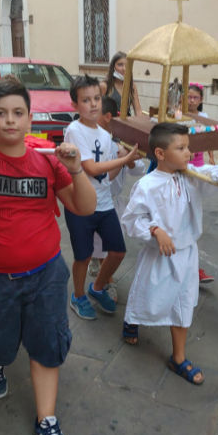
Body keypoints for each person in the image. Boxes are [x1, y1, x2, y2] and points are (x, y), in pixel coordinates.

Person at [0, 75, 97, 435]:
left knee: (48, 343)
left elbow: (83, 208)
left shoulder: (48, 163)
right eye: (1, 113)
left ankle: (46, 419)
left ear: (30, 118)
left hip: (46, 274)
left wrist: (77, 169)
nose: (10, 121)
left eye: (18, 113)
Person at [121, 122, 218, 383]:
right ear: (160, 153)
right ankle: (132, 319)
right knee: (147, 293)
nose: (188, 153)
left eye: (188, 147)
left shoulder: (190, 176)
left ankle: (178, 357)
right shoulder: (148, 185)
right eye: (181, 148)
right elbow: (132, 220)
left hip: (187, 253)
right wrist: (156, 230)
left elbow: (212, 171)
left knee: (183, 302)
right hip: (159, 254)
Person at [64, 75, 140, 320]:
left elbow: (105, 174)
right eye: (86, 100)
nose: (94, 104)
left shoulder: (106, 137)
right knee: (83, 256)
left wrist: (127, 163)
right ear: (75, 106)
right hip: (80, 204)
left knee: (118, 251)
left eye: (96, 98)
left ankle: (96, 287)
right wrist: (124, 159)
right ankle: (78, 296)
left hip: (104, 202)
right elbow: (91, 168)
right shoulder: (74, 130)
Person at [88, 96, 146, 299]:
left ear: (107, 117)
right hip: (93, 201)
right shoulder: (89, 140)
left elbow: (139, 169)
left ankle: (102, 276)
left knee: (112, 246)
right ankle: (104, 282)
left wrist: (128, 160)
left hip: (113, 202)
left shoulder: (121, 144)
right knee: (100, 245)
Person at [187, 83, 216, 284]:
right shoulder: (177, 115)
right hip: (179, 168)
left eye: (195, 98)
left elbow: (208, 139)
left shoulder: (203, 118)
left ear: (201, 100)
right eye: (188, 97)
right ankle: (190, 267)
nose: (191, 101)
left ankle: (193, 267)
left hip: (196, 167)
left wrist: (211, 157)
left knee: (193, 214)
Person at [100, 51, 143, 116]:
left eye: (127, 65)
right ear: (113, 67)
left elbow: (138, 110)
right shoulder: (104, 86)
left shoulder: (132, 86)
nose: (124, 69)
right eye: (120, 65)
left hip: (126, 123)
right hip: (110, 123)